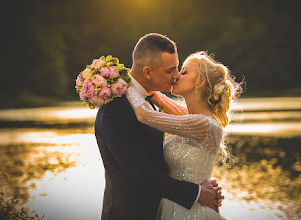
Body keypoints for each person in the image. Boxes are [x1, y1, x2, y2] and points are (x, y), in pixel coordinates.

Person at [94, 33, 223, 220]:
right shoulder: (117, 107)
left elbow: (158, 163)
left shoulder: (148, 103)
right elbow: (140, 173)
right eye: (171, 70)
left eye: (180, 69)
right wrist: (195, 191)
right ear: (147, 72)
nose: (176, 75)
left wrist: (200, 182)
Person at [125, 51, 242, 219]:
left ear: (200, 82)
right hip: (172, 206)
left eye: (184, 72)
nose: (177, 76)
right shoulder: (192, 119)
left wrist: (125, 84)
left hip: (190, 212)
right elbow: (158, 98)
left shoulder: (204, 125)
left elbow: (145, 115)